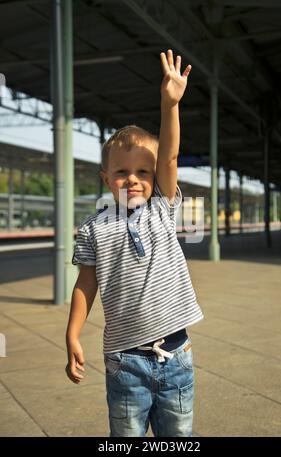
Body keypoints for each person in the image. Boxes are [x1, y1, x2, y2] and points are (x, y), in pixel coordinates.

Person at [65, 49, 204, 437]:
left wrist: (169, 104)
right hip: (124, 362)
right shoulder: (93, 228)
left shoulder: (162, 206)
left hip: (176, 354)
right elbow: (85, 284)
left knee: (178, 439)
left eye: (143, 171)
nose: (133, 179)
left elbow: (171, 154)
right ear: (105, 178)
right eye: (122, 172)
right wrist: (72, 334)